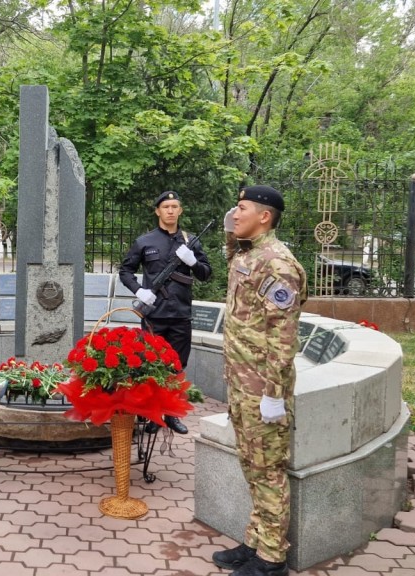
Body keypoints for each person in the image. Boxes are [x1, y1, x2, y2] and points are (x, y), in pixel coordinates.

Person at [212, 185, 306, 576]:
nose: (235, 213)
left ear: (264, 216)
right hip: (242, 383)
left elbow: (283, 338)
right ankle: (256, 541)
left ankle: (271, 558)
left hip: (263, 389)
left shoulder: (277, 264)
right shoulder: (247, 253)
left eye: (241, 208)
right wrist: (230, 229)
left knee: (268, 471)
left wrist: (274, 395)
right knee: (253, 467)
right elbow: (232, 252)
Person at [119, 190, 213, 434]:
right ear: (157, 211)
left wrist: (193, 262)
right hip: (154, 315)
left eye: (174, 206)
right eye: (166, 207)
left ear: (180, 210)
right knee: (152, 365)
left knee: (177, 366)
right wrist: (139, 291)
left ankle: (171, 415)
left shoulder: (190, 241)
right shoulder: (145, 241)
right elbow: (125, 271)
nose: (170, 211)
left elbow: (206, 273)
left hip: (181, 315)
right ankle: (153, 416)